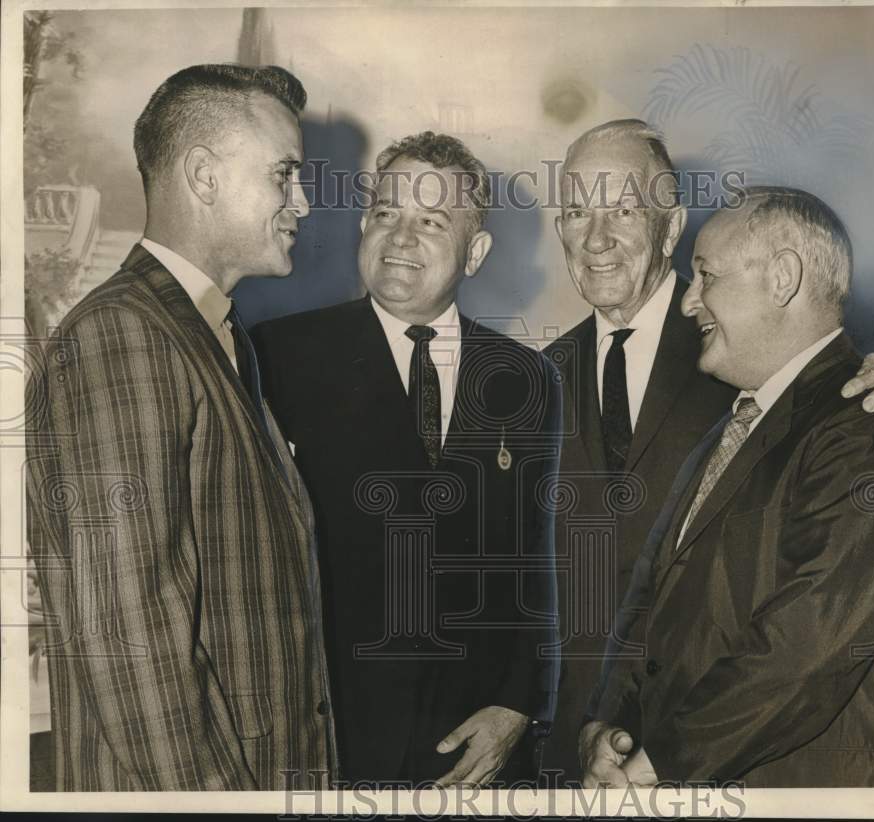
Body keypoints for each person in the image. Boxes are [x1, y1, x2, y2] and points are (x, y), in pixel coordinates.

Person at [542, 119, 874, 781]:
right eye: (576, 212)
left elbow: (807, 644)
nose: (596, 238)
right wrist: (603, 729)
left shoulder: (859, 404)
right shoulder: (727, 412)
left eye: (622, 210)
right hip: (616, 762)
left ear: (670, 228)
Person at [25, 64, 336, 790]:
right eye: (285, 174)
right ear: (203, 176)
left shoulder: (208, 335)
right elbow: (131, 640)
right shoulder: (122, 336)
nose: (304, 203)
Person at [253, 132, 561, 786]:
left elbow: (543, 557)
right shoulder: (277, 357)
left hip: (476, 746)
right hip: (328, 740)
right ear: (363, 224)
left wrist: (515, 706)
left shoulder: (525, 378)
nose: (400, 237)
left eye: (431, 222)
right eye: (387, 213)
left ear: (474, 252)